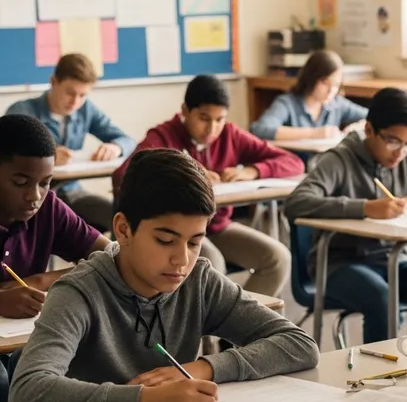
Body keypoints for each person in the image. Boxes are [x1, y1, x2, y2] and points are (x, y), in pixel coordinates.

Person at [8, 149, 319, 402]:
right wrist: (145, 401)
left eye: (195, 241)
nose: (181, 259)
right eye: (165, 240)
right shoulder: (80, 292)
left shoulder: (198, 281)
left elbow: (299, 344)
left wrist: (203, 368)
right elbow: (28, 389)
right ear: (123, 229)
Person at [285, 87, 407, 343]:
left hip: (393, 260)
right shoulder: (339, 160)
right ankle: (379, 375)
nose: (399, 152)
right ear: (369, 130)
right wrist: (366, 208)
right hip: (339, 265)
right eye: (392, 141)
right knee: (383, 298)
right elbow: (296, 202)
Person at [113, 75, 302, 298]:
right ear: (185, 111)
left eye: (219, 119)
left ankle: (233, 330)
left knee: (278, 258)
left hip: (218, 227)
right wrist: (185, 173)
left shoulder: (230, 135)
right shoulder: (163, 136)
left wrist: (253, 170)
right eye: (204, 118)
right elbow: (123, 175)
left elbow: (293, 162)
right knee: (211, 264)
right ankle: (202, 333)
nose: (212, 128)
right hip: (178, 232)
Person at [0, 114, 111, 402]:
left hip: (23, 339)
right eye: (20, 182)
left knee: (74, 363)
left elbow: (112, 257)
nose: (34, 196)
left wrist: (43, 281)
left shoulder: (49, 208)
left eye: (45, 183)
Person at [6, 53, 135, 231]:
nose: (76, 101)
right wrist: (49, 156)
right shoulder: (21, 111)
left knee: (120, 221)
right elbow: (8, 158)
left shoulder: (86, 110)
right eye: (70, 92)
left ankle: (107, 259)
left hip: (73, 193)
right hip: (34, 198)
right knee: (43, 228)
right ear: (53, 82)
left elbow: (127, 140)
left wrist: (116, 147)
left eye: (82, 95)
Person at [250, 50, 367, 145]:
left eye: (336, 84)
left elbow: (372, 116)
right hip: (295, 167)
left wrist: (358, 127)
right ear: (311, 78)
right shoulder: (287, 103)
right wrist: (313, 134)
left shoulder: (337, 104)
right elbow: (259, 130)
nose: (331, 90)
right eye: (324, 83)